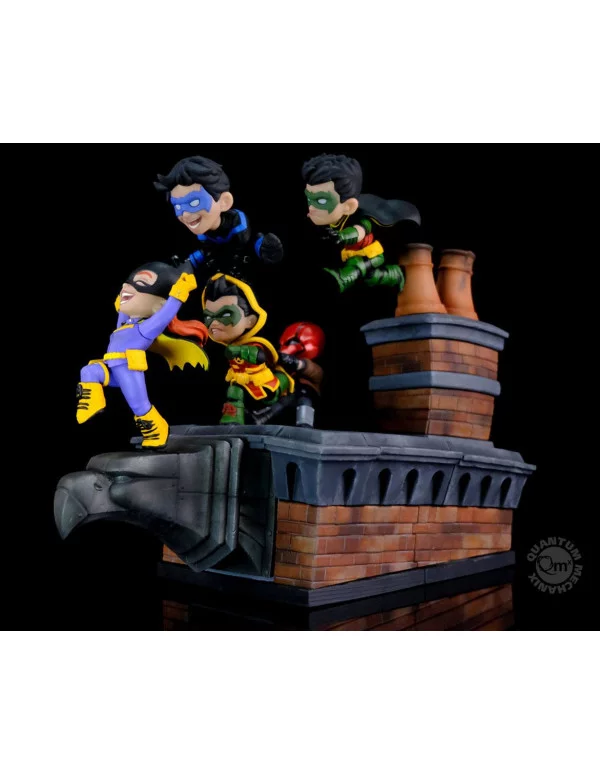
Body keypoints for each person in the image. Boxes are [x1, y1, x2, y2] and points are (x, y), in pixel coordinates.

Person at [76, 262, 208, 449]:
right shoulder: (124, 325)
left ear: (158, 305)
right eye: (128, 282)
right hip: (112, 367)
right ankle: (92, 403)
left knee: (139, 406)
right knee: (89, 371)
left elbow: (166, 313)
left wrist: (180, 291)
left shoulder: (145, 330)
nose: (127, 286)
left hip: (128, 369)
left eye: (141, 283)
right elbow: (122, 312)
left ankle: (156, 430)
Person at [301, 153, 421, 292]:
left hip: (371, 254)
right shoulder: (331, 219)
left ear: (349, 206)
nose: (311, 208)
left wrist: (342, 236)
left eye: (321, 201)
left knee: (356, 266)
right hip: (351, 253)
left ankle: (343, 278)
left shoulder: (359, 217)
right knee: (371, 277)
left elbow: (360, 231)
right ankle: (394, 275)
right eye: (309, 199)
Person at [202, 273, 293, 425]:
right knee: (234, 391)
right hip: (242, 382)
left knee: (266, 393)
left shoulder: (255, 343)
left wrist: (240, 352)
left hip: (263, 383)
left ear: (250, 321)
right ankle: (233, 418)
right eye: (208, 317)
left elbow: (261, 356)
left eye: (226, 314)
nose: (214, 323)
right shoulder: (228, 345)